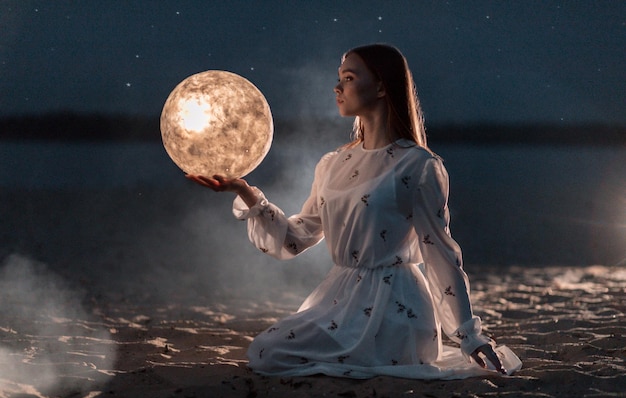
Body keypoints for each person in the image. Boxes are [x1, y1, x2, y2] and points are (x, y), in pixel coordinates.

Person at [187, 44, 521, 379]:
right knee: (266, 351)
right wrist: (244, 191)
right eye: (338, 78)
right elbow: (294, 238)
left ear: (379, 86)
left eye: (348, 78)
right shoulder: (334, 164)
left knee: (273, 355)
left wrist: (469, 337)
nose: (337, 87)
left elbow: (440, 253)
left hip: (396, 306)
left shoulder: (417, 165)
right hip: (341, 296)